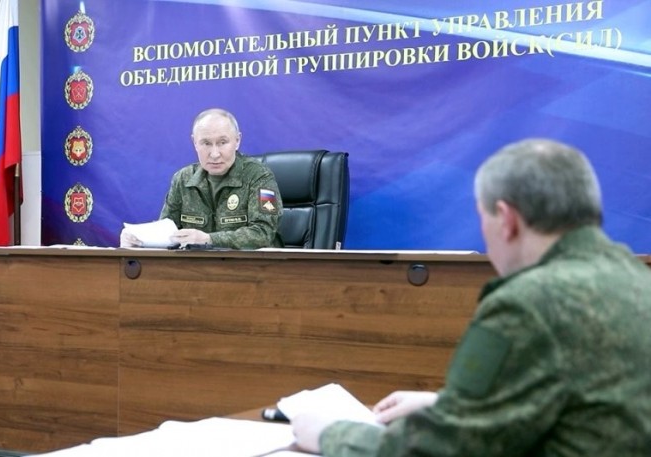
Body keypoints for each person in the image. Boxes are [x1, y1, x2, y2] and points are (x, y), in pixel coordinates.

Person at [292, 138, 651, 456]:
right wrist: (446, 404)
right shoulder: (637, 280)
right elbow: (589, 399)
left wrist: (330, 435)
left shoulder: (527, 303)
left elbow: (442, 449)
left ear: (507, 220)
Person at [121, 108, 283, 249]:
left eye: (222, 142)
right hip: (197, 269)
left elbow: (264, 232)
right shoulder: (183, 179)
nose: (214, 154)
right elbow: (167, 232)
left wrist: (209, 239)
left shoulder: (259, 176)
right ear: (195, 143)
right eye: (206, 143)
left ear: (237, 141)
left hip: (249, 268)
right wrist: (139, 240)